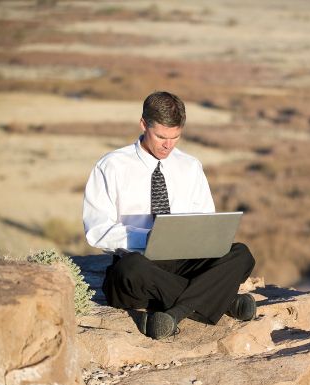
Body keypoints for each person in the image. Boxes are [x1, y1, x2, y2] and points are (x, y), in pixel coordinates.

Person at [83, 91, 256, 340]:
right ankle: (223, 301)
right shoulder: (111, 166)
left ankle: (176, 312)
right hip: (140, 263)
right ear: (144, 124)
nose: (168, 145)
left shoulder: (190, 166)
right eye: (161, 136)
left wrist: (201, 237)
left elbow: (205, 221)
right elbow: (97, 230)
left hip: (185, 262)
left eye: (175, 137)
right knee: (128, 271)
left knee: (241, 255)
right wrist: (149, 238)